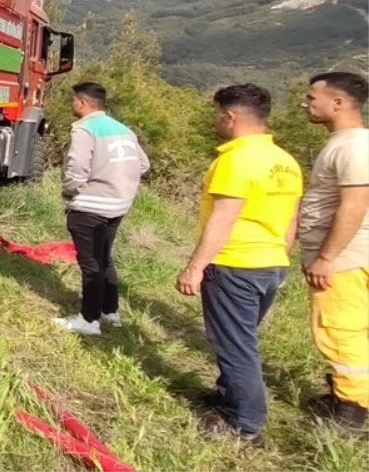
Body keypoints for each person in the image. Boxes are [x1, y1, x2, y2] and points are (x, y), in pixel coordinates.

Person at [177, 84, 302, 443]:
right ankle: (228, 396)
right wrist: (280, 258)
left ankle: (243, 424)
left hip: (235, 265)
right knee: (241, 338)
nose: (216, 120)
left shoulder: (234, 160)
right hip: (271, 263)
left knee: (235, 345)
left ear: (229, 117)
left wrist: (195, 267)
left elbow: (223, 219)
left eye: (218, 114)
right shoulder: (285, 161)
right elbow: (292, 220)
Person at [296, 72, 369, 432]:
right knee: (355, 330)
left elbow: (354, 205)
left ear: (337, 103)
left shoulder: (353, 146)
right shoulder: (347, 143)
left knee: (340, 330)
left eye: (312, 97)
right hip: (352, 256)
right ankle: (348, 394)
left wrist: (326, 257)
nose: (305, 103)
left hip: (346, 259)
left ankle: (352, 411)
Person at [52, 82, 151, 335]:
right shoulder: (123, 129)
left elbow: (77, 166)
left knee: (90, 263)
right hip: (118, 205)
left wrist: (70, 190)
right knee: (104, 257)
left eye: (74, 100)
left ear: (82, 103)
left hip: (91, 205)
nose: (73, 104)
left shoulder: (84, 129)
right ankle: (110, 311)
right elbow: (143, 165)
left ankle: (89, 319)